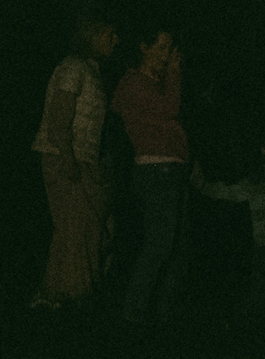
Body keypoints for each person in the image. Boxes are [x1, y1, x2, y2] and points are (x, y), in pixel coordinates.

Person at [30, 17, 117, 310]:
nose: (114, 40)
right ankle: (69, 295)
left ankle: (59, 293)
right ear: (91, 36)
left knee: (88, 227)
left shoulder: (92, 71)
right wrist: (67, 159)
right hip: (63, 157)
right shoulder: (73, 67)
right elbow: (58, 120)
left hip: (83, 159)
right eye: (108, 34)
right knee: (74, 227)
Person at [113, 27, 191, 325]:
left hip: (174, 168)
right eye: (160, 48)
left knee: (180, 248)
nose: (166, 55)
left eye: (170, 49)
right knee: (159, 242)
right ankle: (132, 314)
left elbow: (171, 126)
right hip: (156, 170)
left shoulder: (157, 84)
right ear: (143, 47)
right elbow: (168, 111)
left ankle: (165, 315)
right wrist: (174, 73)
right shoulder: (134, 81)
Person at [195, 133, 265, 324]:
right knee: (260, 295)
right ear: (264, 151)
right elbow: (229, 192)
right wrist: (202, 185)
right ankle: (245, 335)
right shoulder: (257, 181)